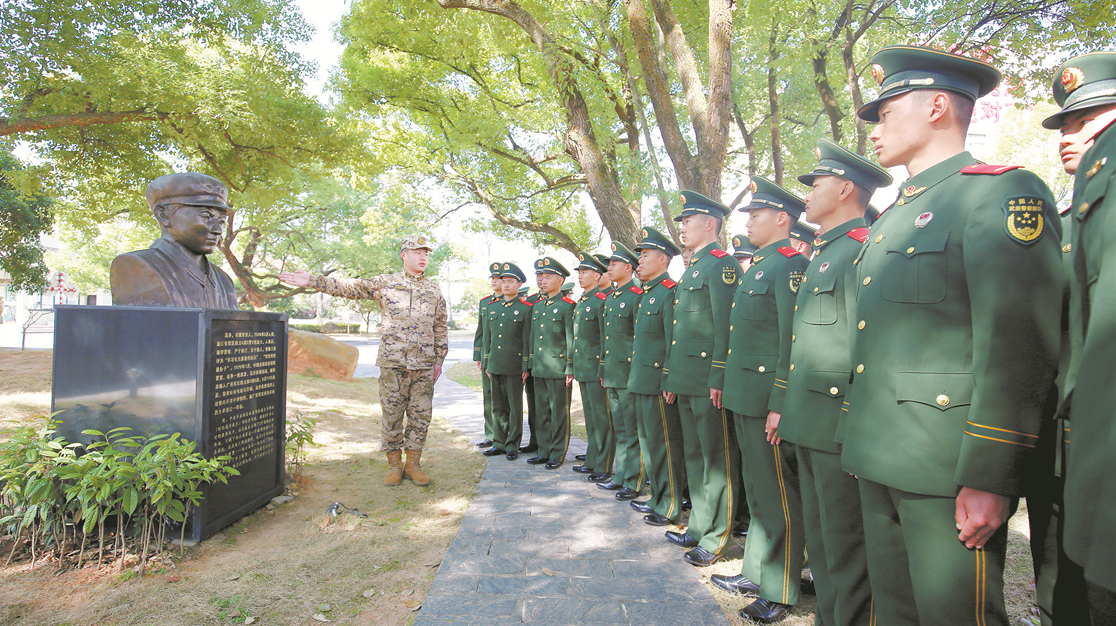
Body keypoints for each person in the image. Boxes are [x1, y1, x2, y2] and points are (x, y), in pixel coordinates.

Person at [842, 45, 1062, 625]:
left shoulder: (996, 193)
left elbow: (1020, 346)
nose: (875, 130)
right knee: (896, 614)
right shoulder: (892, 216)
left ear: (937, 105)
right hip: (880, 451)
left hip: (945, 466)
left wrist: (991, 474)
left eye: (886, 112)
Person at [766, 140, 892, 626]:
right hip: (809, 419)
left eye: (815, 185)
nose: (808, 195)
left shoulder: (861, 250)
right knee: (822, 543)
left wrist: (855, 424)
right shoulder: (823, 253)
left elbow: (869, 346)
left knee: (846, 545)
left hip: (838, 423)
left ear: (844, 189)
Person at [713, 177, 810, 622]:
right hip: (744, 396)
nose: (748, 221)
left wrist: (781, 400)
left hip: (766, 400)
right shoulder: (761, 265)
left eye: (756, 214)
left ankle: (781, 587)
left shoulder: (789, 266)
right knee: (758, 490)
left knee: (778, 498)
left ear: (782, 219)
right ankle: (756, 570)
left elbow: (793, 339)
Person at [278, 235, 448, 487]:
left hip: (423, 364)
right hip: (393, 363)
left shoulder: (434, 289)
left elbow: (440, 325)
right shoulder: (385, 283)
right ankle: (393, 466)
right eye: (417, 252)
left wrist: (439, 360)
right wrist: (313, 281)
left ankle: (413, 466)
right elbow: (350, 287)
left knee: (421, 416)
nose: (423, 257)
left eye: (426, 253)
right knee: (392, 415)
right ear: (404, 254)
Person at [1043, 50, 1116, 624]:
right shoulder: (1071, 212)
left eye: (1087, 118)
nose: (1070, 135)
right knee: (1061, 562)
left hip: (1093, 421)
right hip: (1064, 419)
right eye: (1065, 123)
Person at [662, 191, 740, 567]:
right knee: (695, 457)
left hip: (709, 379)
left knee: (716, 460)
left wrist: (720, 374)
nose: (681, 228)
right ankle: (699, 525)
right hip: (688, 378)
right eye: (680, 222)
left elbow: (727, 325)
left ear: (710, 224)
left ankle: (719, 536)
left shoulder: (722, 265)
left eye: (687, 221)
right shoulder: (693, 268)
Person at [111, 172, 238, 309]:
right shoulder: (134, 267)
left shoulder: (224, 281)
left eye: (221, 221)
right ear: (163, 214)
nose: (217, 230)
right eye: (206, 216)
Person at [628, 227, 685, 527]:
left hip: (658, 383)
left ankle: (671, 502)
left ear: (663, 259)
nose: (639, 261)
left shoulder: (669, 293)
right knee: (649, 443)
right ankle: (657, 496)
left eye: (645, 255)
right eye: (638, 256)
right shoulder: (647, 294)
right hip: (641, 380)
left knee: (665, 444)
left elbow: (672, 340)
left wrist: (669, 379)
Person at [595, 242, 645, 501]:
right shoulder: (612, 298)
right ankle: (621, 475)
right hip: (613, 372)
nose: (609, 268)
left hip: (628, 373)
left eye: (613, 264)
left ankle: (634, 480)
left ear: (628, 267)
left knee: (632, 428)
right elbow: (606, 338)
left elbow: (639, 339)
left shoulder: (636, 295)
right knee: (621, 428)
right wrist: (604, 369)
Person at [526, 257, 575, 469]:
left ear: (560, 280)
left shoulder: (568, 306)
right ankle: (543, 450)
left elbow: (572, 339)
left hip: (558, 368)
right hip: (540, 367)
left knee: (559, 413)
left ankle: (557, 452)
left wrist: (570, 367)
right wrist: (530, 365)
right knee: (541, 412)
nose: (543, 281)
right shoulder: (537, 307)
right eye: (542, 277)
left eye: (549, 277)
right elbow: (533, 338)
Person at [480, 263, 533, 461]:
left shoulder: (526, 309)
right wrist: (486, 362)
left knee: (514, 406)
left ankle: (512, 444)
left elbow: (528, 339)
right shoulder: (492, 307)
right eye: (503, 281)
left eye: (511, 282)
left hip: (514, 365)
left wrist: (526, 366)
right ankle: (498, 443)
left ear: (519, 284)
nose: (506, 285)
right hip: (495, 363)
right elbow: (488, 339)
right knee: (497, 405)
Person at [568, 253, 614, 481]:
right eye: (579, 272)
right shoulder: (584, 301)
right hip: (584, 368)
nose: (580, 276)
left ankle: (603, 465)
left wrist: (603, 367)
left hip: (596, 368)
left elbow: (606, 338)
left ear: (597, 276)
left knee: (602, 418)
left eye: (584, 272)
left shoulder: (601, 301)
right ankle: (593, 456)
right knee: (592, 417)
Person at [473, 262, 504, 449]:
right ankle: (490, 434)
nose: (494, 281)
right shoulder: (485, 302)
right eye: (492, 278)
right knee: (488, 397)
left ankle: (503, 435)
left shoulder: (508, 302)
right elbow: (480, 331)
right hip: (487, 356)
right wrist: (478, 354)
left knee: (502, 398)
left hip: (502, 358)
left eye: (498, 278)